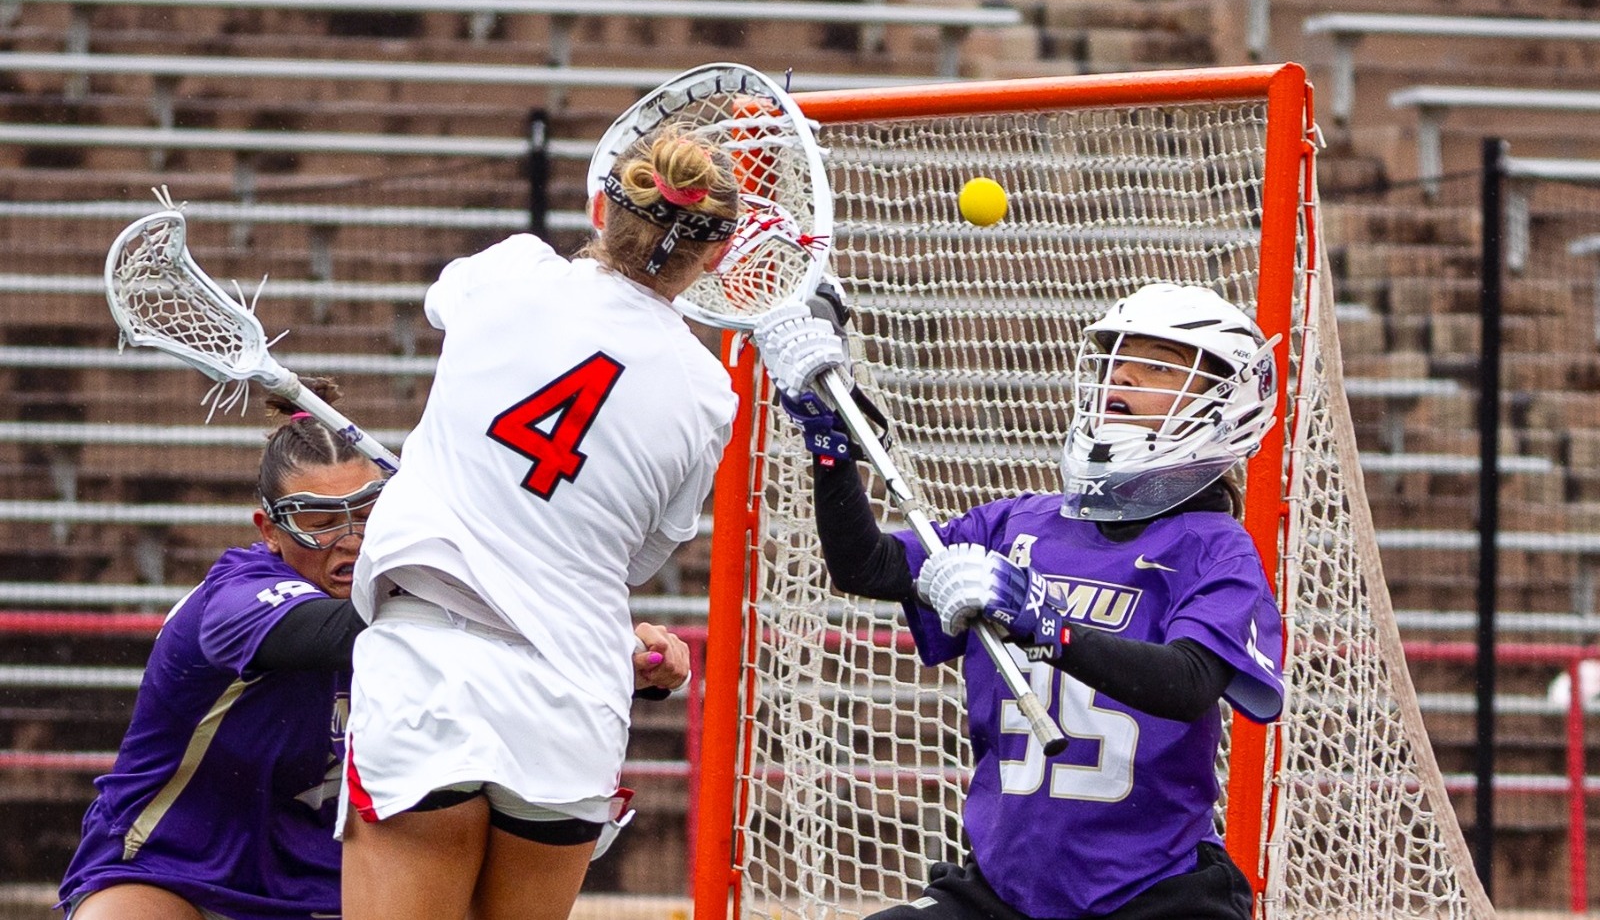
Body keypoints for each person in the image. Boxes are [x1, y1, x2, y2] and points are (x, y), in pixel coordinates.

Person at [750, 282, 1287, 920]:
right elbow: (866, 564)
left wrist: (1050, 629)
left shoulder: (1215, 549)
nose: (1123, 379)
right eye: (1117, 361)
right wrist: (832, 448)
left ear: (1223, 406)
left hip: (1152, 894)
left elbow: (1191, 683)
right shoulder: (1018, 525)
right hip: (1003, 890)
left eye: (1158, 368)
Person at [56, 382, 692, 920]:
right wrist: (547, 609)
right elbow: (345, 632)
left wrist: (618, 658)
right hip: (168, 864)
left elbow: (498, 665)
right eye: (317, 519)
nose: (350, 540)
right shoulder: (234, 602)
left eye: (367, 510)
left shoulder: (426, 607)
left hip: (312, 878)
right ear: (269, 530)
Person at [339, 128, 739, 920]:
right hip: (572, 697)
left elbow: (441, 305)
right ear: (717, 255)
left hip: (430, 668)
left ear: (600, 203)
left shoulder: (512, 270)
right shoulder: (708, 393)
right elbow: (634, 558)